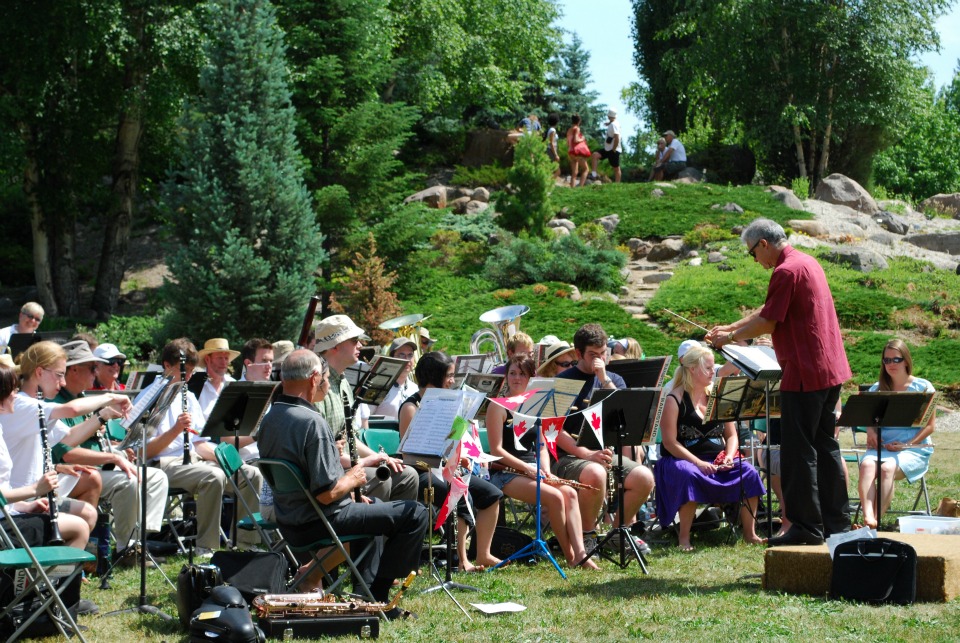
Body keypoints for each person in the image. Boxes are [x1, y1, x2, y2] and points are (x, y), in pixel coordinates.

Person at [706, 217, 852, 546]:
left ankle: (805, 527)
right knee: (825, 446)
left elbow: (769, 321)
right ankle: (836, 523)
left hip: (804, 372)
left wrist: (727, 338)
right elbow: (767, 310)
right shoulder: (806, 262)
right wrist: (729, 328)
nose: (754, 260)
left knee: (797, 452)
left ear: (764, 245)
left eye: (751, 253)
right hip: (829, 371)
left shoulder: (785, 271)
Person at [256, 350, 427, 614]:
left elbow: (311, 484)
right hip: (317, 523)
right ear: (314, 378)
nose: (326, 383)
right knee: (414, 513)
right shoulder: (313, 423)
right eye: (325, 377)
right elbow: (326, 494)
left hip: (289, 520)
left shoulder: (269, 419)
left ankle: (359, 586)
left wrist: (351, 490)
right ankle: (380, 599)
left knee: (376, 504)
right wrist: (354, 477)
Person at [50, 340, 168, 565]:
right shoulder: (58, 403)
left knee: (157, 477)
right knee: (130, 482)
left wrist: (119, 452)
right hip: (73, 474)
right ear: (73, 369)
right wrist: (112, 457)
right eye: (92, 368)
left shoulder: (82, 399)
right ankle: (125, 549)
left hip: (96, 469)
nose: (96, 373)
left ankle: (140, 538)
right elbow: (68, 454)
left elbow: (92, 444)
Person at [143, 338, 263, 556]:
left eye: (190, 371)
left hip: (194, 461)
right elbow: (144, 451)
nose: (188, 377)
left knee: (250, 474)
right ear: (167, 366)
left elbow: (199, 444)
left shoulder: (188, 396)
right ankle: (206, 546)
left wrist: (226, 459)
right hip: (163, 465)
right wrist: (175, 430)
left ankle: (246, 543)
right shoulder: (151, 397)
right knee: (213, 477)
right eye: (183, 371)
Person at [486, 354, 599, 570]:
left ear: (531, 377)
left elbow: (542, 446)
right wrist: (528, 468)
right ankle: (570, 557)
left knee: (570, 493)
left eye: (522, 374)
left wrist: (545, 470)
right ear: (506, 376)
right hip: (507, 472)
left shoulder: (536, 404)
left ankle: (582, 554)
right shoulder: (497, 407)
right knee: (556, 497)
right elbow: (497, 451)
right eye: (512, 373)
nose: (516, 378)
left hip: (534, 470)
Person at [397, 351, 502, 571]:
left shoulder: (446, 403)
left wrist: (457, 453)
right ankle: (461, 560)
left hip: (445, 467)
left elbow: (448, 442)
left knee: (492, 494)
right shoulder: (411, 407)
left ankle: (483, 553)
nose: (453, 381)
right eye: (449, 376)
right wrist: (445, 464)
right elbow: (410, 454)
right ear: (434, 376)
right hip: (419, 471)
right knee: (459, 491)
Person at [655, 344, 766, 551]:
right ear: (692, 369)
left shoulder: (718, 396)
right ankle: (684, 538)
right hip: (681, 460)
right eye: (708, 368)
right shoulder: (674, 399)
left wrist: (729, 456)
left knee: (749, 471)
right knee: (689, 474)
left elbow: (731, 435)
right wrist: (697, 462)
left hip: (716, 459)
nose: (712, 372)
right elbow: (670, 442)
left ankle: (750, 533)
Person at [12, 342, 133, 531]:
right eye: (59, 375)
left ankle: (80, 555)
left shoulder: (36, 405)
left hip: (38, 487)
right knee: (82, 523)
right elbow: (72, 409)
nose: (63, 382)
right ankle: (67, 553)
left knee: (89, 501)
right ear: (39, 372)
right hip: (20, 496)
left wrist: (104, 414)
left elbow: (68, 438)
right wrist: (111, 397)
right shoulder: (22, 404)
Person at [555, 324, 654, 554]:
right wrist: (586, 454)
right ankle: (587, 535)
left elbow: (626, 415)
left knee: (644, 477)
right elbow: (553, 431)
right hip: (569, 457)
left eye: (603, 353)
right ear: (578, 354)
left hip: (605, 453)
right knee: (595, 472)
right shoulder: (564, 382)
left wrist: (603, 378)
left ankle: (616, 532)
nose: (599, 359)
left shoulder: (614, 380)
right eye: (593, 355)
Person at [314, 315, 419, 503]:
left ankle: (393, 531)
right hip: (332, 473)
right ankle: (368, 530)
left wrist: (380, 457)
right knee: (382, 478)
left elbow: (350, 437)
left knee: (408, 475)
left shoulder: (344, 383)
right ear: (335, 346)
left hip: (348, 463)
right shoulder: (317, 387)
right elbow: (323, 454)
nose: (361, 346)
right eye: (354, 341)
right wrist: (366, 462)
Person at [0, 362, 90, 550]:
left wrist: (23, 506)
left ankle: (37, 578)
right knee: (79, 527)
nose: (16, 395)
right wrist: (35, 489)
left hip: (6, 516)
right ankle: (52, 580)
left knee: (82, 518)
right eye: (11, 391)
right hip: (2, 529)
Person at [858, 339, 936, 530]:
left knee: (887, 468)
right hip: (883, 448)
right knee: (867, 465)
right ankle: (868, 517)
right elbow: (868, 419)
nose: (891, 365)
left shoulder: (923, 387)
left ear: (906, 361)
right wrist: (871, 432)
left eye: (896, 360)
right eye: (886, 361)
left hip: (912, 449)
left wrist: (907, 444)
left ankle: (874, 522)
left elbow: (930, 426)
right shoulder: (877, 389)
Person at [370, 337, 418, 420]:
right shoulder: (378, 386)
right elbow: (363, 418)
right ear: (392, 358)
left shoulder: (415, 388)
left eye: (410, 355)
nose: (407, 360)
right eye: (401, 355)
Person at [195, 338, 240, 418]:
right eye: (219, 358)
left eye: (226, 358)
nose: (224, 362)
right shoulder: (197, 386)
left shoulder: (234, 384)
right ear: (207, 359)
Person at [590, 109, 621, 183]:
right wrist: (608, 123)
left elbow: (617, 138)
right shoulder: (613, 122)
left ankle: (617, 184)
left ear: (609, 115)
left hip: (613, 149)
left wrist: (614, 149)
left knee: (616, 168)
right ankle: (593, 175)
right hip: (608, 148)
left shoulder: (614, 125)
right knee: (595, 155)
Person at [566, 114, 590, 188]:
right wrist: (582, 138)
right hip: (577, 152)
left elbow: (567, 143)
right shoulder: (577, 128)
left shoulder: (569, 130)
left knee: (574, 173)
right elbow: (576, 140)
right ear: (579, 121)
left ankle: (572, 189)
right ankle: (580, 187)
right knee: (586, 169)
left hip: (570, 152)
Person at [545, 113, 560, 177]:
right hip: (550, 151)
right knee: (557, 171)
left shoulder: (550, 129)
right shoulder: (553, 130)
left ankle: (548, 183)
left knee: (550, 169)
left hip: (549, 150)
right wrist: (556, 155)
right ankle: (548, 183)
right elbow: (551, 143)